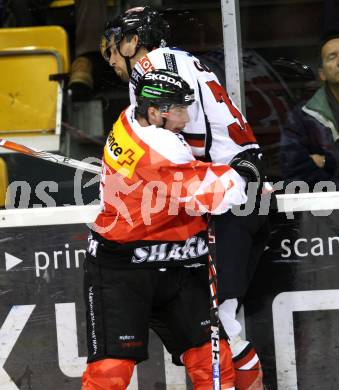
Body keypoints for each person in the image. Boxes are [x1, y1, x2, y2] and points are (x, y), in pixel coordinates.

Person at [100, 6, 269, 389]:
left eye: (113, 46)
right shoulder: (171, 61)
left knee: (220, 324)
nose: (110, 58)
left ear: (132, 42)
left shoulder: (152, 69)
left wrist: (148, 172)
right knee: (220, 325)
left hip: (233, 193)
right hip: (231, 188)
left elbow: (183, 145)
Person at [281, 33, 339, 190]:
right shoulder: (303, 116)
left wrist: (325, 161)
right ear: (322, 74)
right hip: (325, 208)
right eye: (332, 57)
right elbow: (293, 170)